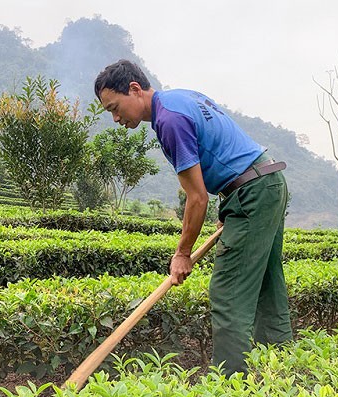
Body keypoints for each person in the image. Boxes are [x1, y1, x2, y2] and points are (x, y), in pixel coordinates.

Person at [93, 59, 292, 376]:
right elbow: (225, 152)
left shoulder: (169, 120)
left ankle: (231, 387)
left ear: (134, 89)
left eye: (115, 108)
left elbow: (197, 197)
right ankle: (281, 370)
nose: (116, 118)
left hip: (252, 191)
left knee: (227, 293)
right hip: (264, 183)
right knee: (268, 284)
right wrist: (232, 206)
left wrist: (182, 253)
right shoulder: (181, 98)